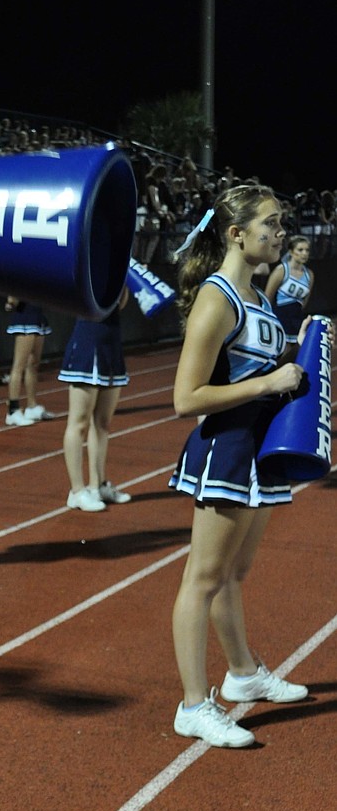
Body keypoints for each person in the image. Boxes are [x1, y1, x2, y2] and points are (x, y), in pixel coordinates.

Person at [168, 184, 310, 749]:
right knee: (201, 580)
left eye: (280, 225)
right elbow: (186, 397)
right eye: (271, 225)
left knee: (232, 575)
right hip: (225, 450)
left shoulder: (258, 296)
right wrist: (269, 381)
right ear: (236, 234)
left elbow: (263, 371)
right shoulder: (218, 296)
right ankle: (192, 706)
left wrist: (300, 357)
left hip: (256, 450)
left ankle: (244, 673)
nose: (279, 234)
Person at [59, 288, 132, 511]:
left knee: (102, 423)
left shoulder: (115, 269)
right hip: (88, 341)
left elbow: (120, 304)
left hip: (111, 340)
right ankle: (77, 491)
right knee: (79, 422)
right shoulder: (88, 266)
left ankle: (97, 485)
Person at [3, 296, 53, 425]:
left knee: (33, 364)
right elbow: (13, 296)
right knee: (19, 366)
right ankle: (12, 411)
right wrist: (11, 301)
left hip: (37, 317)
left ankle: (32, 407)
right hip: (25, 318)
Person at [264, 234, 314, 345]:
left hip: (297, 319)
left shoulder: (309, 274)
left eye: (307, 250)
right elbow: (267, 298)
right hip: (280, 318)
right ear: (291, 252)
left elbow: (304, 301)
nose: (304, 253)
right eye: (300, 250)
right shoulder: (281, 270)